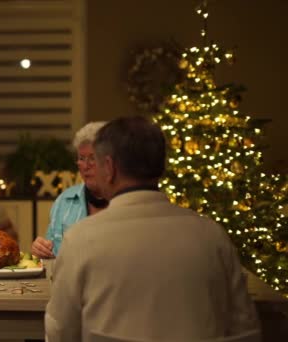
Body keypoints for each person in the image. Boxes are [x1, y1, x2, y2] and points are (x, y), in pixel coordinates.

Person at [45, 116, 260, 341]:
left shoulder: (80, 240)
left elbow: (60, 332)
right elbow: (245, 330)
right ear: (161, 166)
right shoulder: (213, 236)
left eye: (95, 161)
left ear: (109, 168)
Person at [31, 121, 108, 259]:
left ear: (109, 161)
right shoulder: (64, 201)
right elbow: (51, 253)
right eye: (81, 158)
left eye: (92, 158)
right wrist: (40, 250)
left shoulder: (124, 200)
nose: (85, 166)